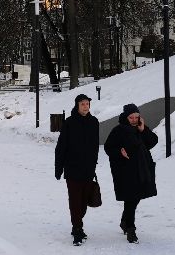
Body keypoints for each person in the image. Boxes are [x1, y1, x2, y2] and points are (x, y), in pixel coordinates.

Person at [103, 103, 159, 244]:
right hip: (125, 170)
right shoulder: (119, 130)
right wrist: (119, 152)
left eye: (136, 117)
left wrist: (143, 129)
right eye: (131, 117)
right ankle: (131, 228)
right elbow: (108, 147)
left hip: (142, 168)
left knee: (135, 198)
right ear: (126, 117)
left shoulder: (139, 129)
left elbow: (152, 142)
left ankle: (124, 221)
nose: (134, 120)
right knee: (131, 199)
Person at [54, 93, 100, 245]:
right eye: (83, 104)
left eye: (87, 104)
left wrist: (94, 163)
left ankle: (77, 225)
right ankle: (77, 229)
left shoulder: (94, 122)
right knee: (75, 201)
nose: (85, 106)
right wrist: (58, 168)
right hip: (72, 169)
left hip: (88, 170)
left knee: (83, 202)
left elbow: (95, 146)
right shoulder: (69, 122)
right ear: (77, 106)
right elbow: (61, 147)